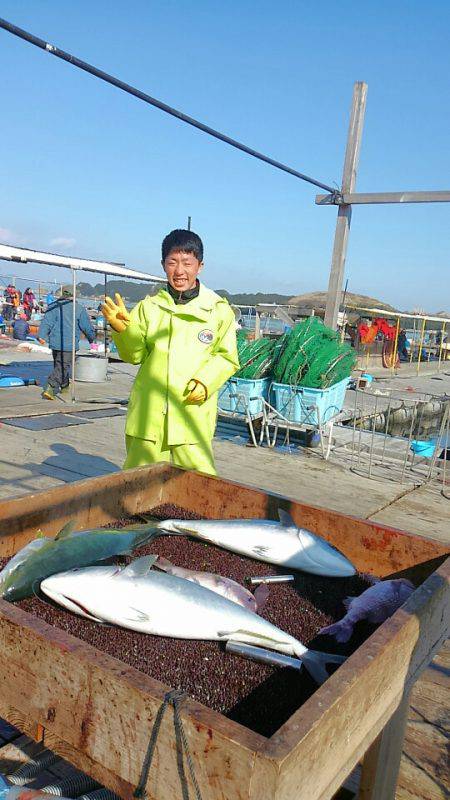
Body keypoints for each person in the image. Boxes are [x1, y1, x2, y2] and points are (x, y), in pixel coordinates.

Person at [102, 229, 239, 476]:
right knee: (139, 485)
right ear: (163, 264)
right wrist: (122, 330)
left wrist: (205, 382)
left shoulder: (218, 310)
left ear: (200, 266)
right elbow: (133, 356)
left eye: (187, 263)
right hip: (148, 415)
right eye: (172, 262)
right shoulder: (148, 307)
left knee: (198, 485)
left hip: (191, 414)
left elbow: (227, 356)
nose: (179, 271)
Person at [38, 287, 95, 399]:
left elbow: (46, 322)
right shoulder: (78, 308)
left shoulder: (53, 306)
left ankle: (64, 385)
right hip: (69, 343)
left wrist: (41, 335)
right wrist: (91, 338)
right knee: (63, 366)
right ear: (74, 295)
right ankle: (50, 387)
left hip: (55, 342)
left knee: (59, 365)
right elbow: (86, 326)